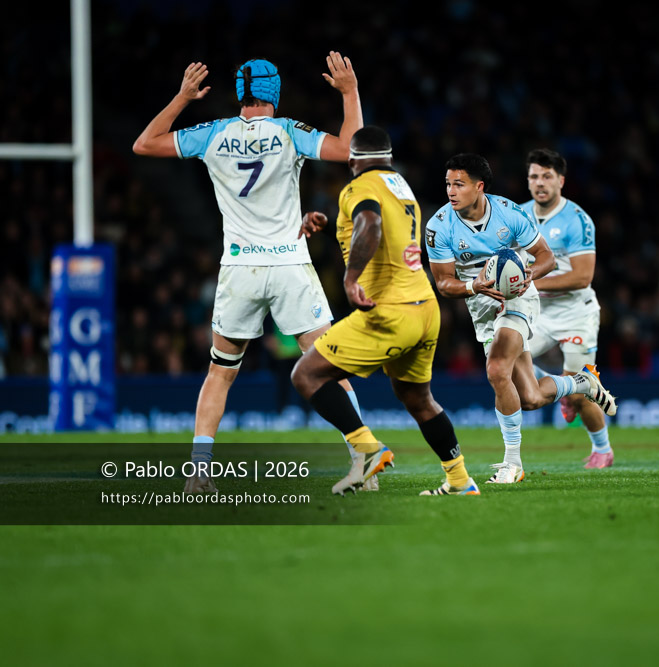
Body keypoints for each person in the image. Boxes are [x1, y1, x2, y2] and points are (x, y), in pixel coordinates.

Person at [132, 54, 365, 493]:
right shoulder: (289, 131)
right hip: (289, 265)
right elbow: (351, 147)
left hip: (239, 266)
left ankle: (199, 474)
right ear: (275, 92)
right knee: (329, 366)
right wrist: (349, 92)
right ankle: (361, 459)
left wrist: (182, 98)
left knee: (220, 372)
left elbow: (144, 144)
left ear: (240, 94)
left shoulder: (212, 134)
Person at [292, 126, 479, 496]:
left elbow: (370, 222)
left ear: (351, 159)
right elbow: (374, 227)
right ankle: (460, 481)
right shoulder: (401, 186)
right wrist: (336, 226)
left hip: (390, 311)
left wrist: (350, 279)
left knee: (306, 375)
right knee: (417, 399)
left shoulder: (357, 187)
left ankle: (368, 447)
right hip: (425, 309)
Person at [425, 153, 617, 484]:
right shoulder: (439, 226)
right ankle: (581, 382)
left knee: (497, 370)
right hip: (481, 304)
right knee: (529, 397)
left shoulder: (510, 213)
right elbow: (443, 283)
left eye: (459, 184)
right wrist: (475, 286)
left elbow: (546, 258)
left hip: (518, 298)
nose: (451, 191)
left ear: (478, 187)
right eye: (447, 184)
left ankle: (512, 463)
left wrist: (525, 277)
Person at [520, 149, 614, 469]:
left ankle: (602, 449)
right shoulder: (517, 217)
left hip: (576, 314)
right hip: (537, 313)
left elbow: (582, 276)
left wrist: (528, 282)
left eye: (547, 176)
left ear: (561, 181)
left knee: (579, 396)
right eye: (534, 176)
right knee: (501, 363)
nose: (540, 183)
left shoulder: (577, 220)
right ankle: (560, 384)